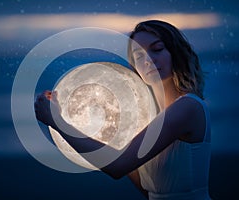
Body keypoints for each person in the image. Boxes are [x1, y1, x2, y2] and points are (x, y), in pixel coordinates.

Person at [34, 20, 211, 200]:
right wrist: (104, 132)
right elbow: (148, 189)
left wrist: (57, 121)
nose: (148, 60)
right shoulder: (147, 117)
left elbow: (118, 166)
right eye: (139, 56)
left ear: (175, 52)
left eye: (157, 49)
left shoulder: (187, 107)